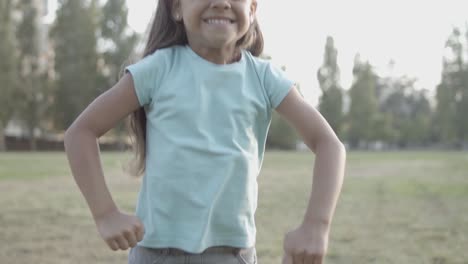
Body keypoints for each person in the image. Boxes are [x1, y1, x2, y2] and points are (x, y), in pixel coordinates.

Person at [64, 0, 346, 263]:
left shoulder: (264, 79)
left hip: (232, 255)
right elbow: (81, 132)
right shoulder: (159, 69)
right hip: (156, 254)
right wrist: (106, 214)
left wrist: (316, 225)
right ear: (176, 8)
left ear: (252, 9)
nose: (221, 2)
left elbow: (329, 145)